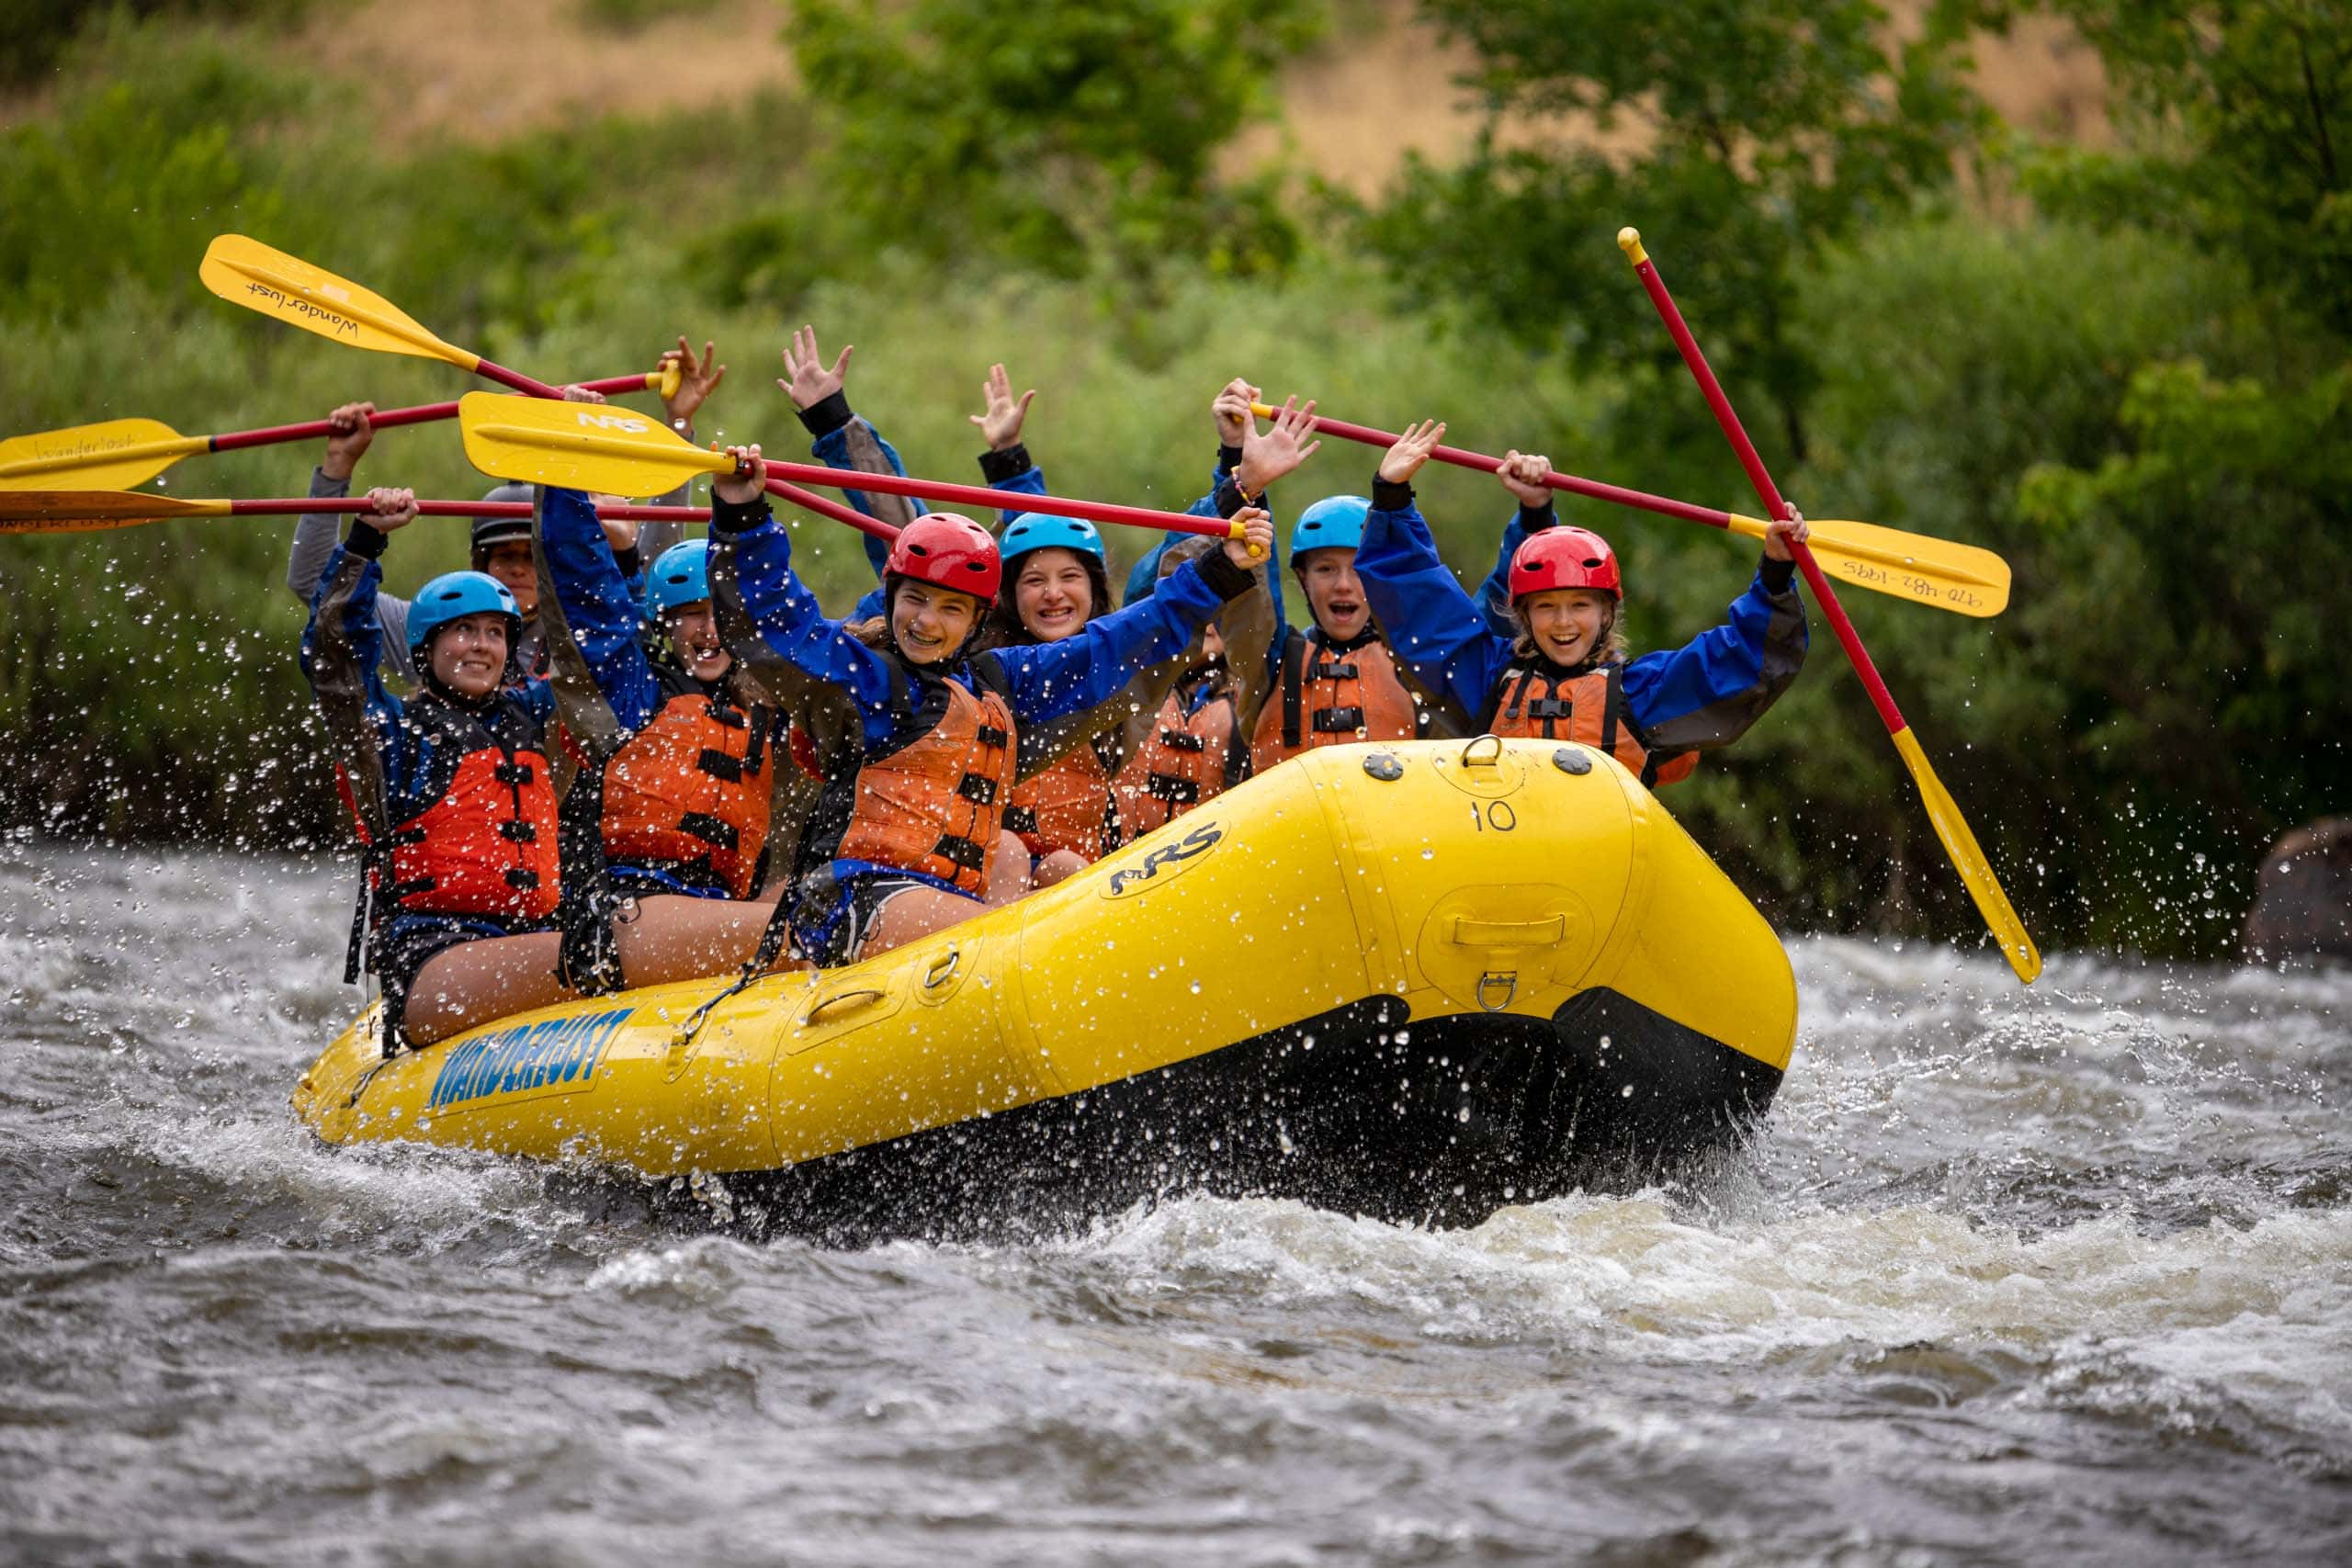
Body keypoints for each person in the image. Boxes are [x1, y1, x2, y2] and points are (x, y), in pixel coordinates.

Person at [710, 445, 1273, 966]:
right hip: (853, 900)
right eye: (916, 600)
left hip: (947, 897)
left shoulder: (1000, 683)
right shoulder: (865, 682)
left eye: (951, 609)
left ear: (978, 620)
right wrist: (743, 518)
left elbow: (1118, 643)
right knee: (1013, 943)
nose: (927, 622)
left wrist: (1217, 571)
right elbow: (778, 624)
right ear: (891, 598)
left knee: (1035, 884)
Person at [304, 488, 795, 1055]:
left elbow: (599, 638)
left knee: (806, 889)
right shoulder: (388, 737)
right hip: (433, 958)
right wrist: (365, 539)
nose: (480, 647)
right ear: (424, 645)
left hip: (533, 942)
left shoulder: (535, 719)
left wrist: (622, 553)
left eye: (493, 633)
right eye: (462, 631)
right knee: (597, 946)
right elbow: (334, 658)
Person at [1354, 425, 1812, 784]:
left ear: (1607, 613)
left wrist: (1774, 572)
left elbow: (1737, 661)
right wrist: (1391, 497)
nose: (1564, 622)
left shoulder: (1636, 693)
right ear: (1522, 617)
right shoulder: (1488, 677)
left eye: (1580, 605)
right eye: (1546, 607)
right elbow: (1420, 604)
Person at [285, 337, 724, 666]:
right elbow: (315, 585)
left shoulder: (590, 622)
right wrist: (337, 468)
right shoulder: (436, 626)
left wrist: (678, 426)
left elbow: (655, 570)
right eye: (503, 557)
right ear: (479, 565)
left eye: (531, 557)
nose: (517, 568)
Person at [537, 491, 790, 904]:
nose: (710, 630)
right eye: (692, 613)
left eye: (721, 615)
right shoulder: (634, 694)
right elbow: (585, 594)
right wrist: (562, 485)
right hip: (633, 901)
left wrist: (746, 513)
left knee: (802, 895)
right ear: (664, 623)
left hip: (721, 910)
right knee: (791, 925)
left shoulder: (761, 709)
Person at [1112, 536, 1275, 843]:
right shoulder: (1132, 676)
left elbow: (1265, 604)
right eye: (1200, 603)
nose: (1209, 617)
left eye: (1221, 603)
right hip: (1119, 863)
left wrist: (1245, 501)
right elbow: (1142, 590)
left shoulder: (1259, 688)